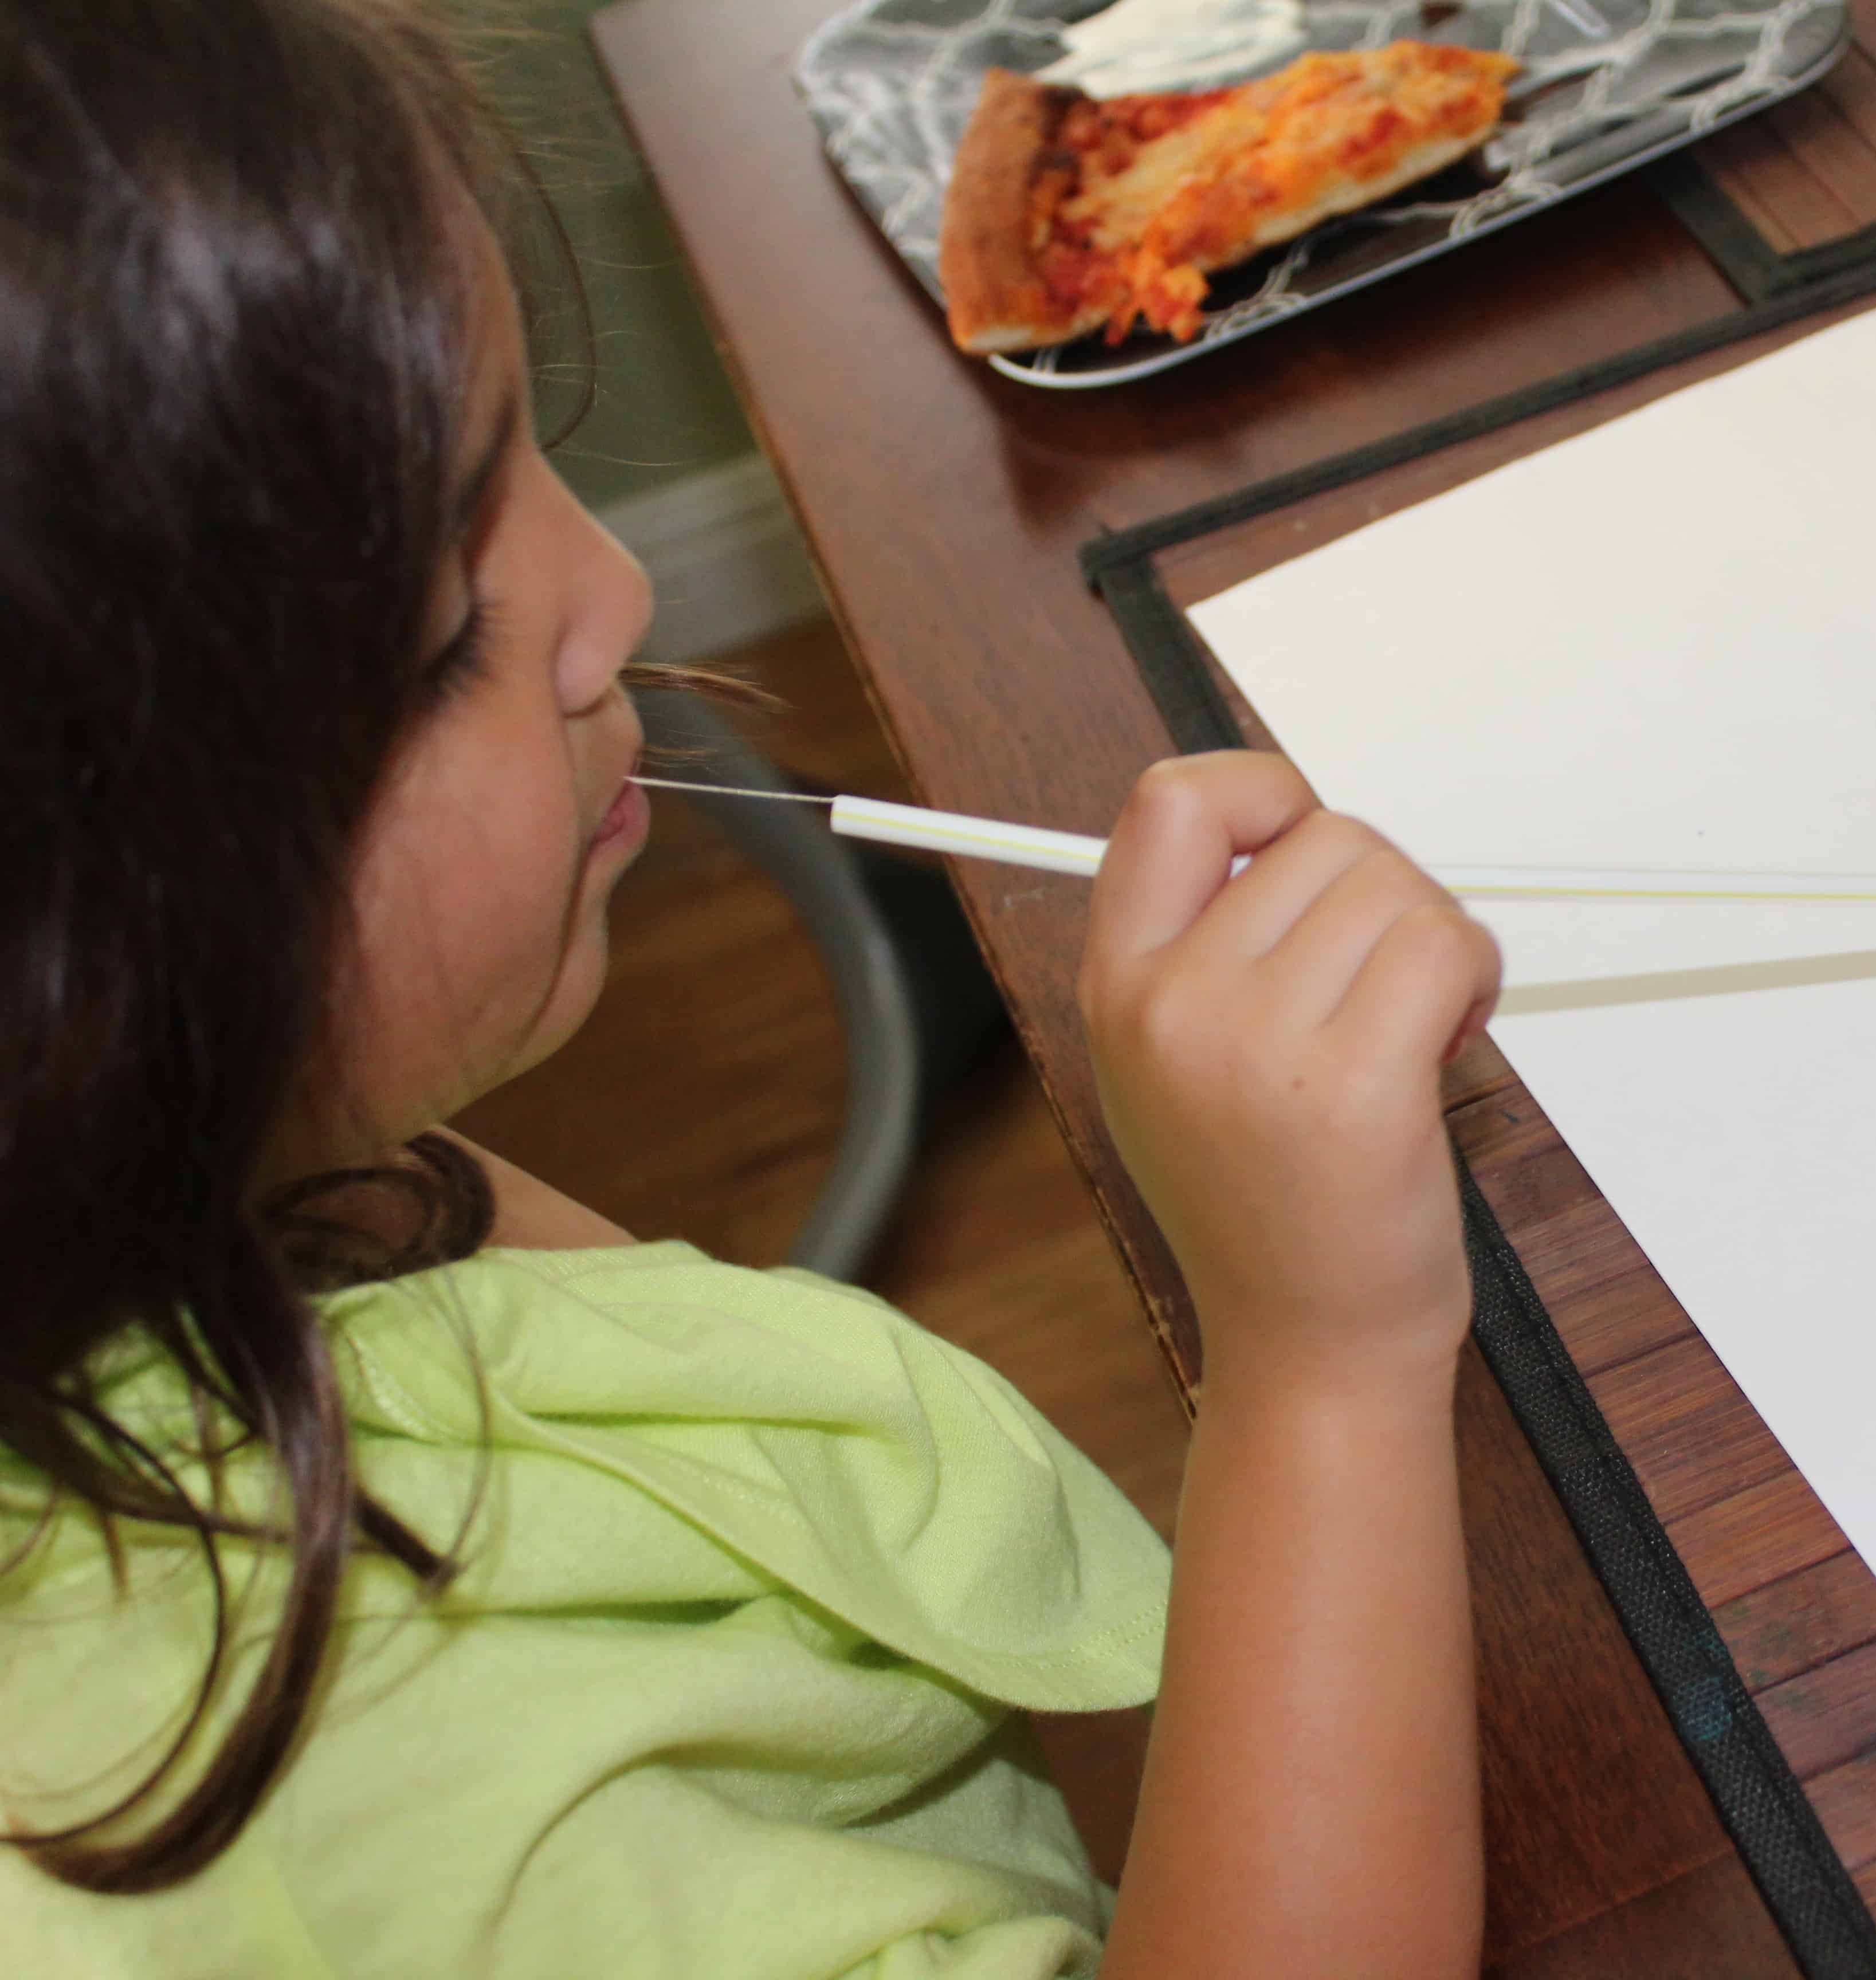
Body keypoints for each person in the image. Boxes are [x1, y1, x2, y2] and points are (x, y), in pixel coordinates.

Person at [0, 2, 1501, 1974]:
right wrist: (1319, 1360)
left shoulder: (187, 1152)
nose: (615, 588)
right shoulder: (362, 1808)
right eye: (449, 626)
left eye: (522, 447)